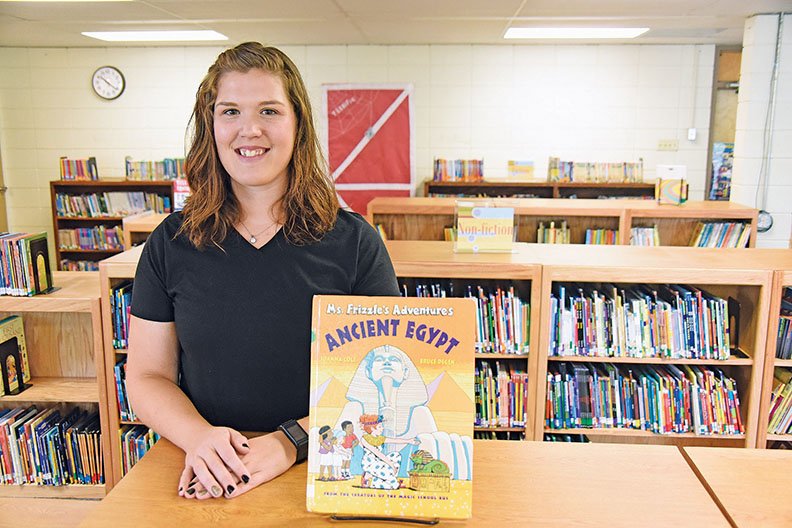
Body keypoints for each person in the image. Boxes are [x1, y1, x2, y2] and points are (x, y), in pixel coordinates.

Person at [125, 42, 400, 501]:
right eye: (230, 111)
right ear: (210, 127)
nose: (249, 130)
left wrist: (291, 441)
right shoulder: (170, 243)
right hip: (210, 470)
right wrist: (199, 438)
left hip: (327, 464)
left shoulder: (355, 243)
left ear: (298, 125)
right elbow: (147, 376)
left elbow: (383, 378)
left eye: (269, 110)